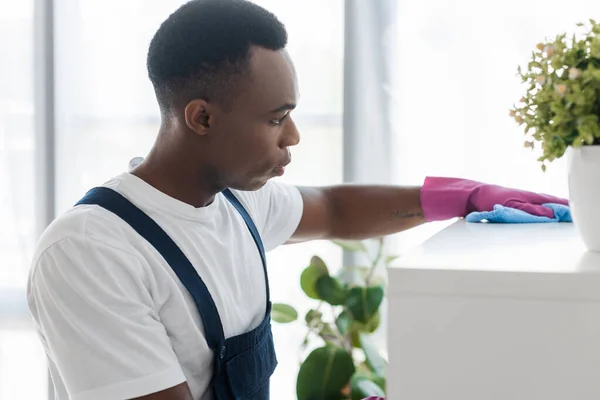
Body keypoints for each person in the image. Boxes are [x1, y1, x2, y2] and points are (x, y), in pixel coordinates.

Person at [26, 0, 568, 399]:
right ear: (202, 117)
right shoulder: (91, 252)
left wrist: (462, 196)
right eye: (276, 118)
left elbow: (335, 208)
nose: (293, 138)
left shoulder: (236, 204)